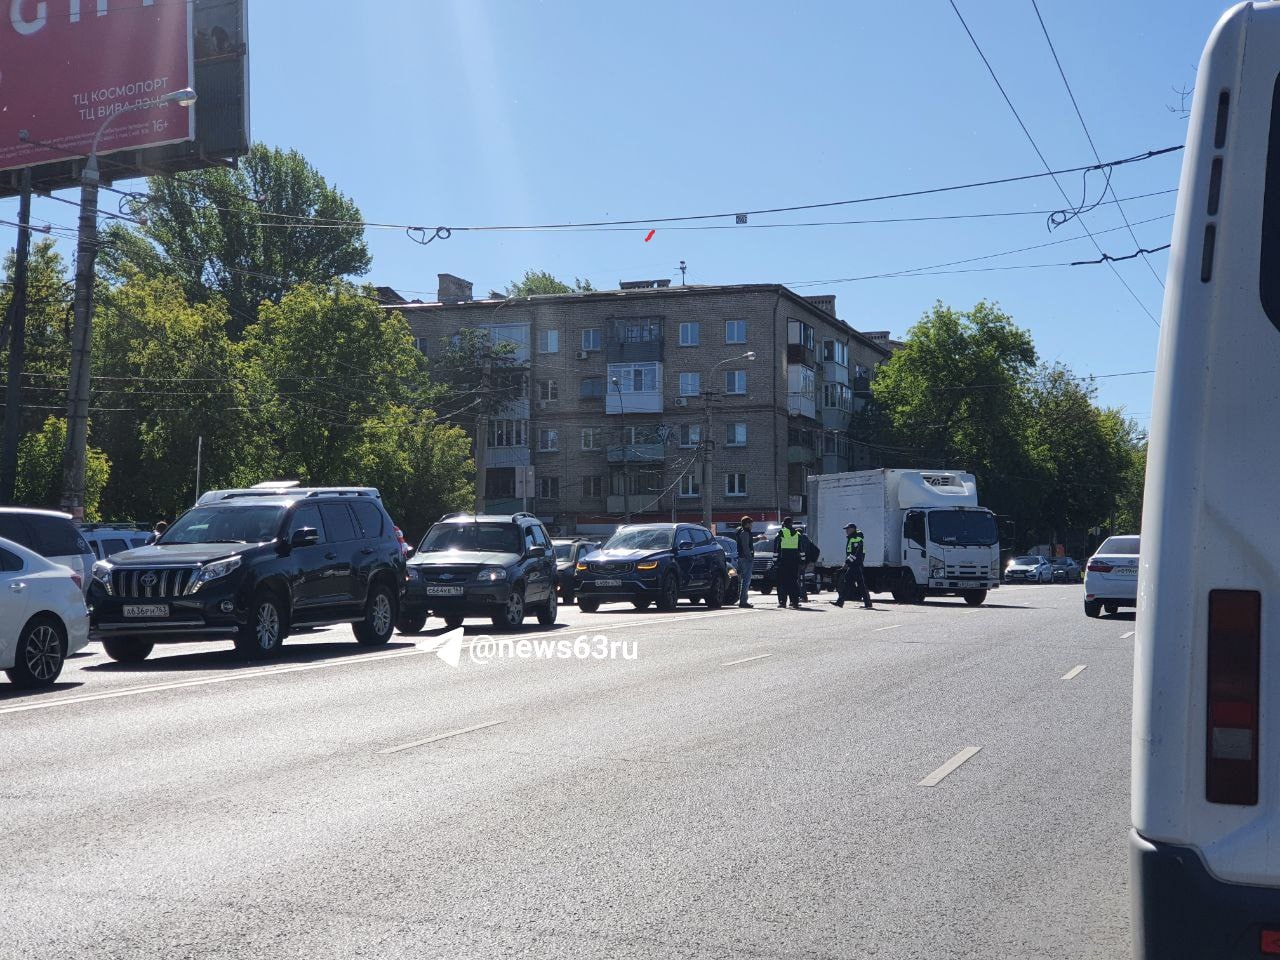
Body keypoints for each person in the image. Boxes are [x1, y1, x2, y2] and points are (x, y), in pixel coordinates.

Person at [832, 521, 873, 609]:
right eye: (846, 529)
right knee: (850, 583)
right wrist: (847, 563)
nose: (846, 531)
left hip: (856, 565)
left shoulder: (856, 539)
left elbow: (854, 554)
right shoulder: (852, 538)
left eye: (848, 529)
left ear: (853, 529)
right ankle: (840, 602)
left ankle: (841, 602)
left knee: (858, 584)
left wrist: (846, 564)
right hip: (854, 565)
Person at [773, 516, 804, 609]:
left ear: (784, 523)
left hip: (783, 562)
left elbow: (776, 550)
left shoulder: (781, 533)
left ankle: (783, 602)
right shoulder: (798, 534)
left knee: (783, 583)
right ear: (791, 523)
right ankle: (795, 602)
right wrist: (802, 561)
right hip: (794, 562)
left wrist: (774, 562)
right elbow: (801, 550)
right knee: (793, 582)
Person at [732, 516, 755, 608]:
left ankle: (741, 600)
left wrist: (758, 538)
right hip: (746, 559)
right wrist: (749, 557)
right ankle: (743, 601)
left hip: (741, 558)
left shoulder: (741, 532)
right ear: (747, 524)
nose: (752, 526)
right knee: (746, 581)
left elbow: (747, 542)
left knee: (741, 580)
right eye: (751, 524)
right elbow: (746, 546)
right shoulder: (745, 533)